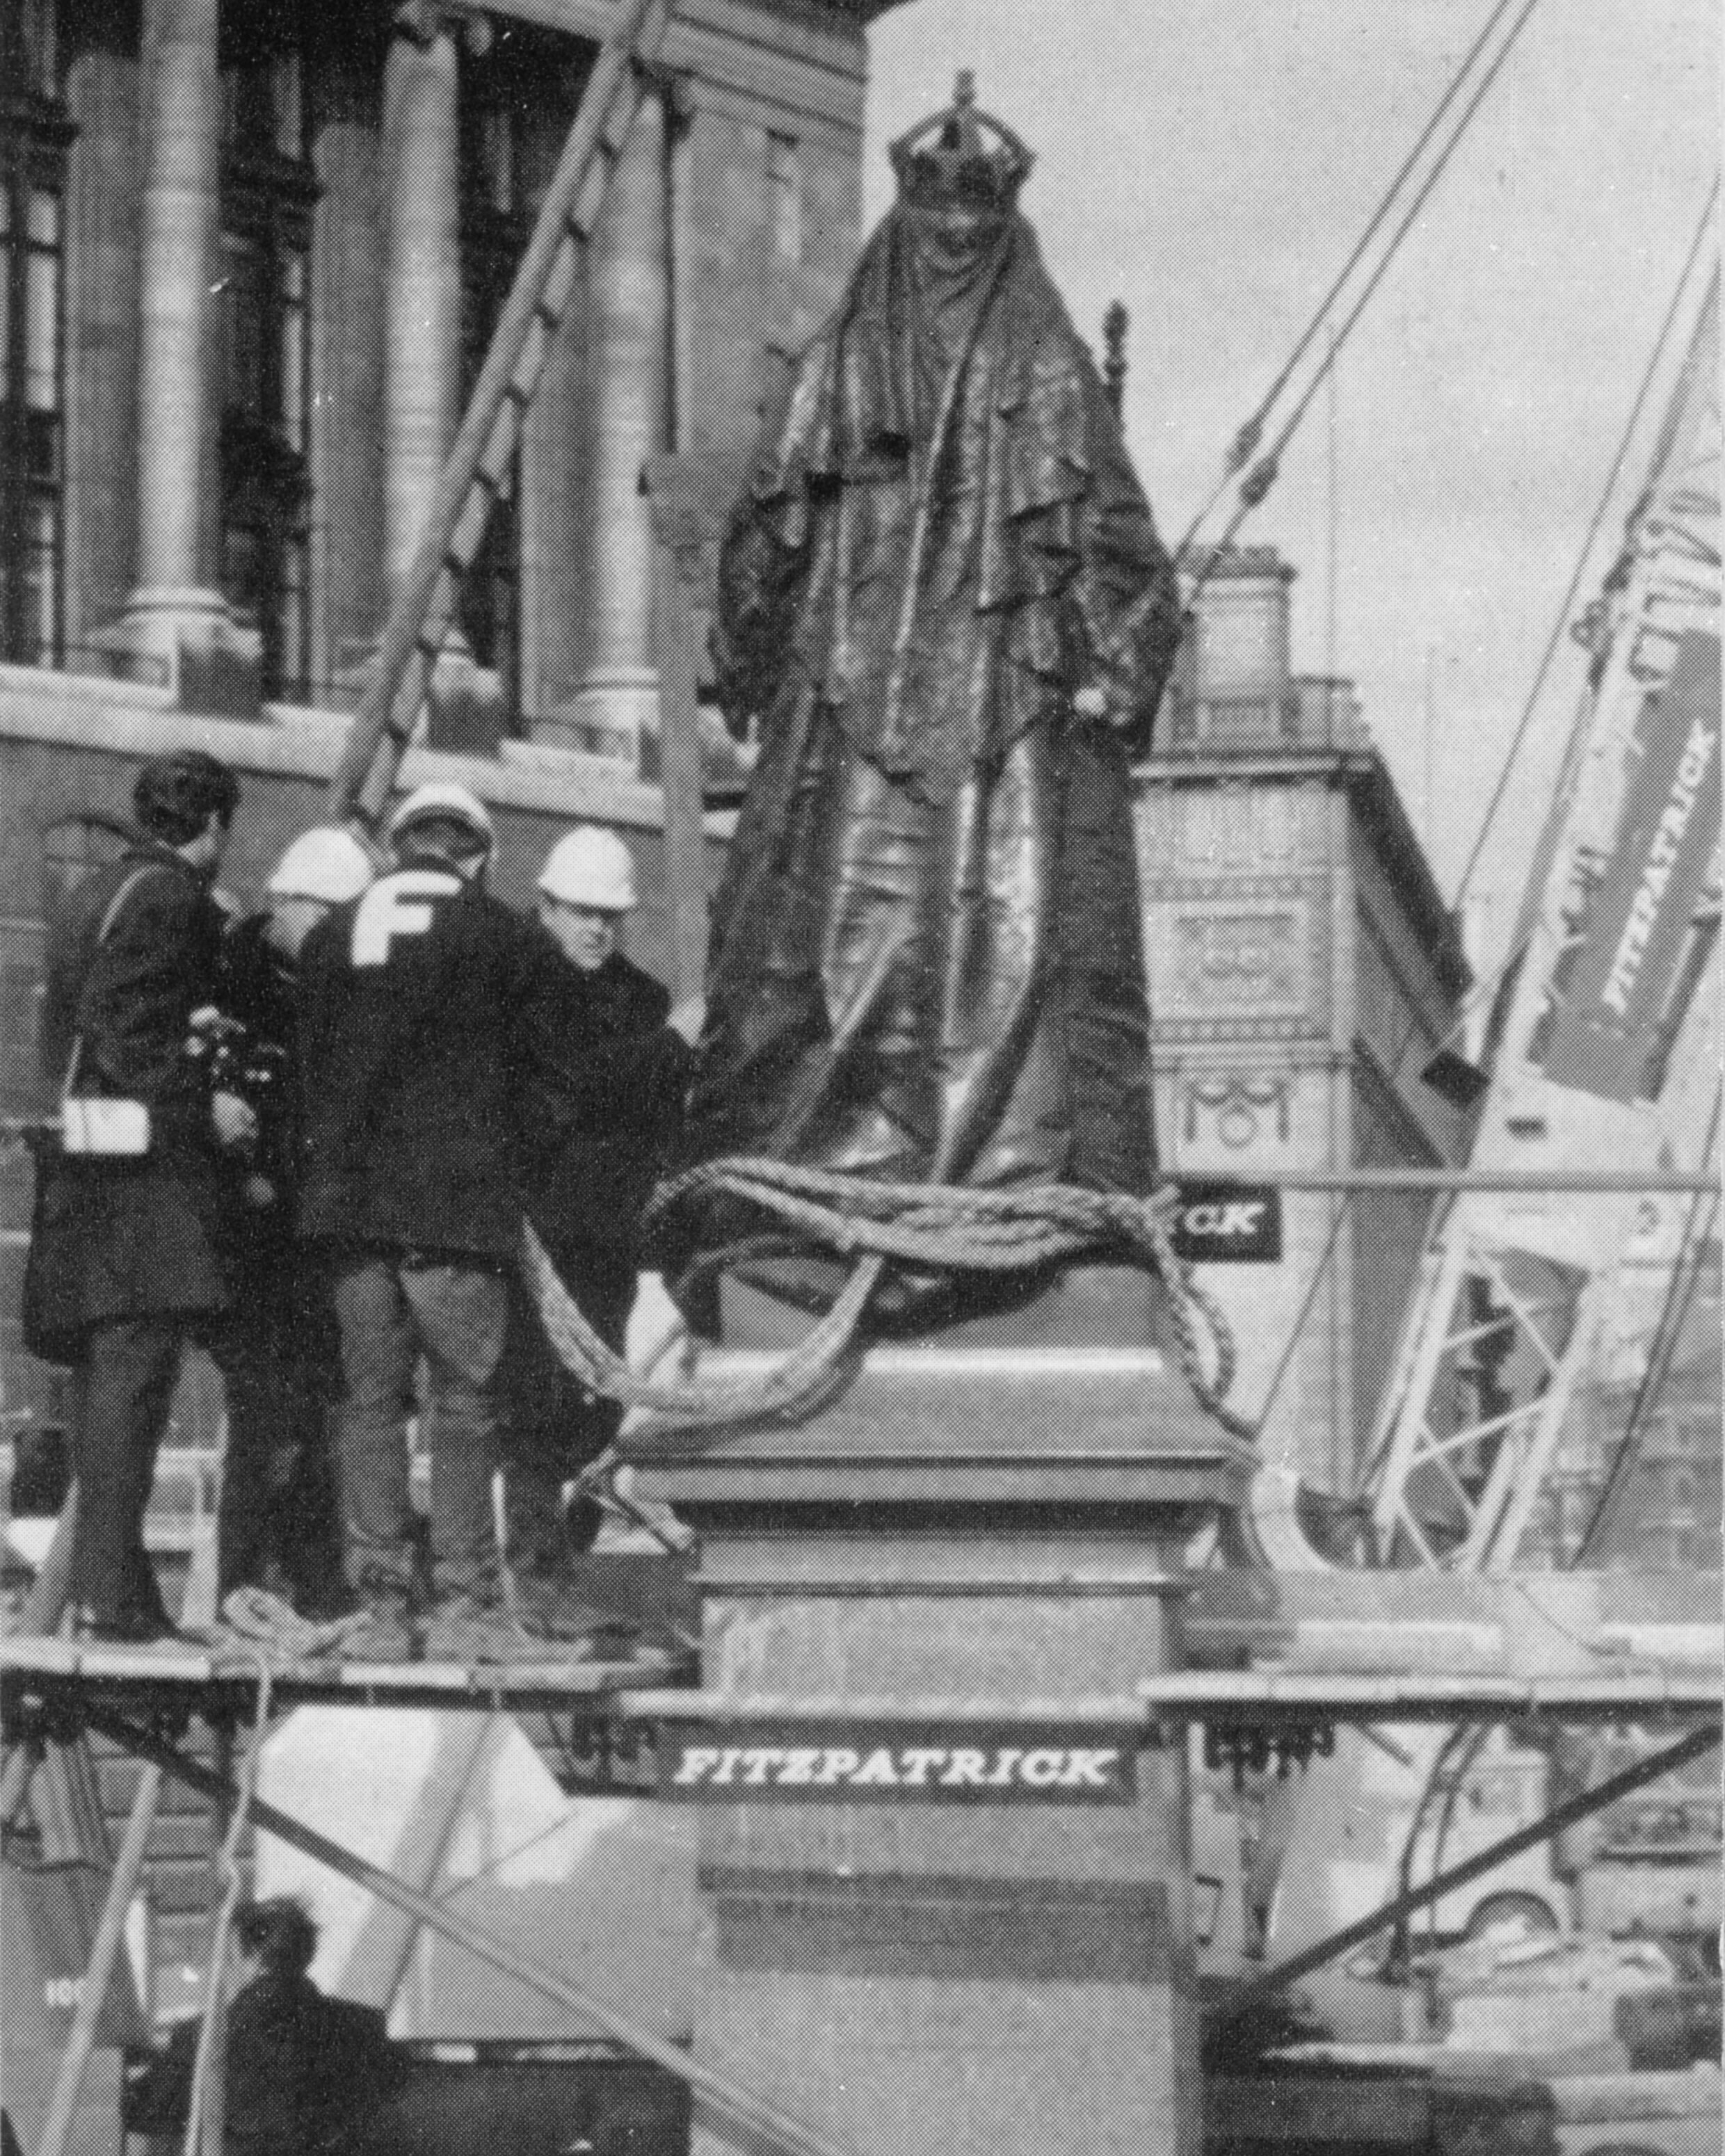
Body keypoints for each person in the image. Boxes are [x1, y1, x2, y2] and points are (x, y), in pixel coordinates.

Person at [672, 78, 1182, 1326]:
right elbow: (1121, 554)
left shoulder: (840, 362)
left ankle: (831, 1188)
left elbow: (762, 543)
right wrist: (1123, 664)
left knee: (829, 946)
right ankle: (1008, 1185)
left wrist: (746, 667)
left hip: (845, 737)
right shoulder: (1050, 364)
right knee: (1029, 946)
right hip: (1012, 732)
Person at [296, 782, 572, 1661]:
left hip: (351, 1221)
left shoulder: (332, 934)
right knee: (464, 1409)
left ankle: (380, 1608)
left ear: (400, 847)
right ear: (480, 857)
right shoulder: (506, 937)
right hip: (455, 1217)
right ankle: (464, 1607)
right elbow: (548, 1084)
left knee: (370, 1409)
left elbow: (307, 1078)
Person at [29, 751, 255, 1642]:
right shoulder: (171, 898)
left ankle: (110, 1593)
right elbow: (130, 1033)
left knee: (103, 1395)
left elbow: (98, 1021)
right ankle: (120, 1602)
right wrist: (212, 1108)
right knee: (134, 1389)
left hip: (88, 1181)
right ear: (214, 827)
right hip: (144, 1195)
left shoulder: (99, 890)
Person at [500, 826, 696, 1619]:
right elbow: (575, 1086)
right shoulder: (522, 990)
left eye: (609, 916)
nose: (595, 929)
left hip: (608, 1229)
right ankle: (539, 1570)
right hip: (541, 1231)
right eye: (580, 912)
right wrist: (670, 1048)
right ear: (545, 906)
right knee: (535, 1406)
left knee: (598, 1403)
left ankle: (559, 1555)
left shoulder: (640, 1000)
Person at [212, 828, 376, 1622]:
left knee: (311, 1421)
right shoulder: (235, 983)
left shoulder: (319, 987)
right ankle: (252, 1588)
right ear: (289, 903)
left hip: (311, 1237)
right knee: (271, 1422)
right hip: (257, 1241)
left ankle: (310, 1585)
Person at [123, 1896, 403, 2156]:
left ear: (255, 1961)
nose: (222, 1970)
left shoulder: (207, 2035)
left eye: (228, 1958)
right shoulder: (362, 2025)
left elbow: (142, 2111)